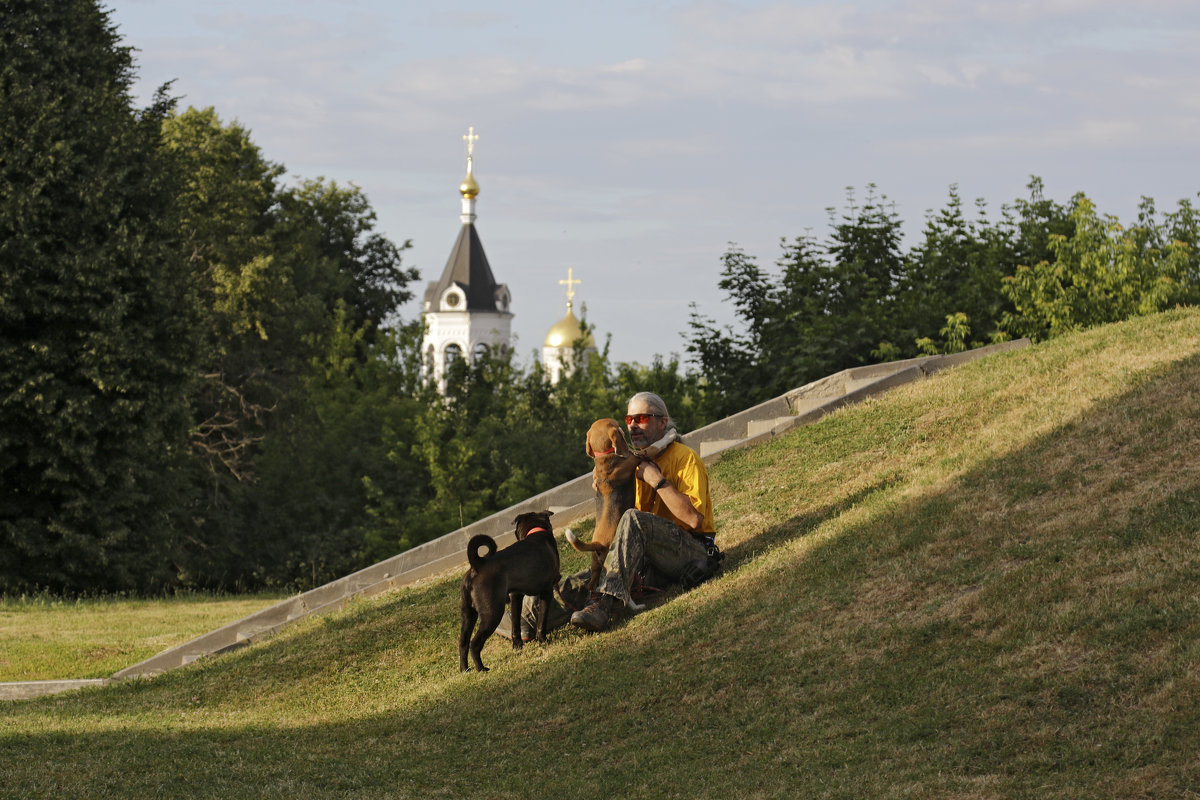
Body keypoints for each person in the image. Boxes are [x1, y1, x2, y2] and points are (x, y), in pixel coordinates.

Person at [569, 391, 720, 632]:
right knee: (579, 580)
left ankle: (604, 605)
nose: (633, 426)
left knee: (634, 519)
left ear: (662, 422)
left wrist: (658, 481)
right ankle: (528, 618)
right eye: (629, 420)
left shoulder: (685, 459)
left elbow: (693, 520)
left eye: (642, 418)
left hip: (690, 551)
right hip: (648, 559)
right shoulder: (630, 462)